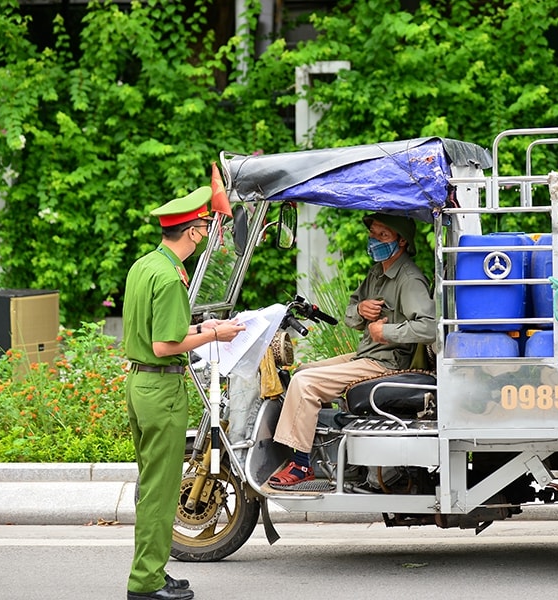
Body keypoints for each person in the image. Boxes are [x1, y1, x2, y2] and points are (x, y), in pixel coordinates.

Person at [123, 186, 246, 600]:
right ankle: (145, 583)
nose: (209, 235)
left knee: (153, 487)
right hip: (161, 388)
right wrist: (215, 331)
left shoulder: (145, 266)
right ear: (193, 232)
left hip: (140, 386)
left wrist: (201, 330)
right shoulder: (171, 277)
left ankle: (152, 570)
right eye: (207, 229)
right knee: (161, 491)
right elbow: (164, 346)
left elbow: (161, 332)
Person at [269, 212, 436, 487]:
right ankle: (327, 452)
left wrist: (386, 331)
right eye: (373, 235)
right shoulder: (377, 271)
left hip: (388, 363)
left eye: (383, 236)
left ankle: (301, 465)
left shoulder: (410, 279)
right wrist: (360, 310)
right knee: (302, 371)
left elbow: (429, 327)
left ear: (402, 241)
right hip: (367, 356)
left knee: (305, 383)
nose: (375, 241)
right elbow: (350, 316)